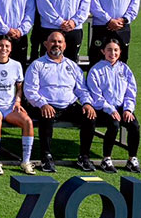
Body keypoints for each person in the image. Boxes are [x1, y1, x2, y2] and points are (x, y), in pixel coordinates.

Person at [23, 31, 97, 173]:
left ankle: (84, 157)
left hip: (69, 105)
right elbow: (30, 90)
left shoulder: (72, 66)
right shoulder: (37, 65)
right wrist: (42, 104)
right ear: (46, 44)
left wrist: (87, 103)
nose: (56, 44)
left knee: (89, 116)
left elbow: (82, 89)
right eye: (53, 41)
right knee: (46, 116)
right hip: (46, 105)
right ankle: (46, 157)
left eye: (59, 42)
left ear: (65, 45)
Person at [0, 37, 34, 175]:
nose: (3, 49)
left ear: (11, 49)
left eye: (7, 46)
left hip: (10, 107)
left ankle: (26, 161)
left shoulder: (16, 65)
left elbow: (20, 87)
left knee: (27, 121)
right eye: (0, 45)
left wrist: (17, 101)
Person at [86, 38, 141, 173]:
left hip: (122, 107)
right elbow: (96, 95)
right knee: (114, 125)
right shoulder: (96, 70)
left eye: (116, 50)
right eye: (109, 50)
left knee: (134, 125)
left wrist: (128, 109)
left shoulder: (125, 69)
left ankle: (132, 158)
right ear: (103, 51)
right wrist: (109, 109)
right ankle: (106, 159)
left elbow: (131, 91)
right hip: (103, 108)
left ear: (120, 52)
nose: (113, 53)